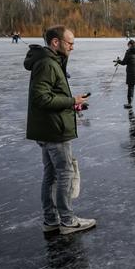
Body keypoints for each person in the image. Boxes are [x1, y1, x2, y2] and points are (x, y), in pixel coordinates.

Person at [24, 25, 95, 235]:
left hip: (48, 127)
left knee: (52, 174)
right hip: (54, 130)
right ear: (56, 42)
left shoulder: (50, 61)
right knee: (64, 173)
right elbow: (41, 98)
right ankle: (67, 220)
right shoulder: (47, 63)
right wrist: (71, 100)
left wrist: (73, 104)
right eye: (69, 43)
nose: (72, 47)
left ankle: (51, 219)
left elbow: (49, 95)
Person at [115, 39, 135, 109]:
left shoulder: (129, 52)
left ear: (130, 45)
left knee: (131, 88)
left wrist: (118, 61)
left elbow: (124, 62)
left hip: (132, 73)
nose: (128, 47)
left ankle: (129, 103)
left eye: (128, 45)